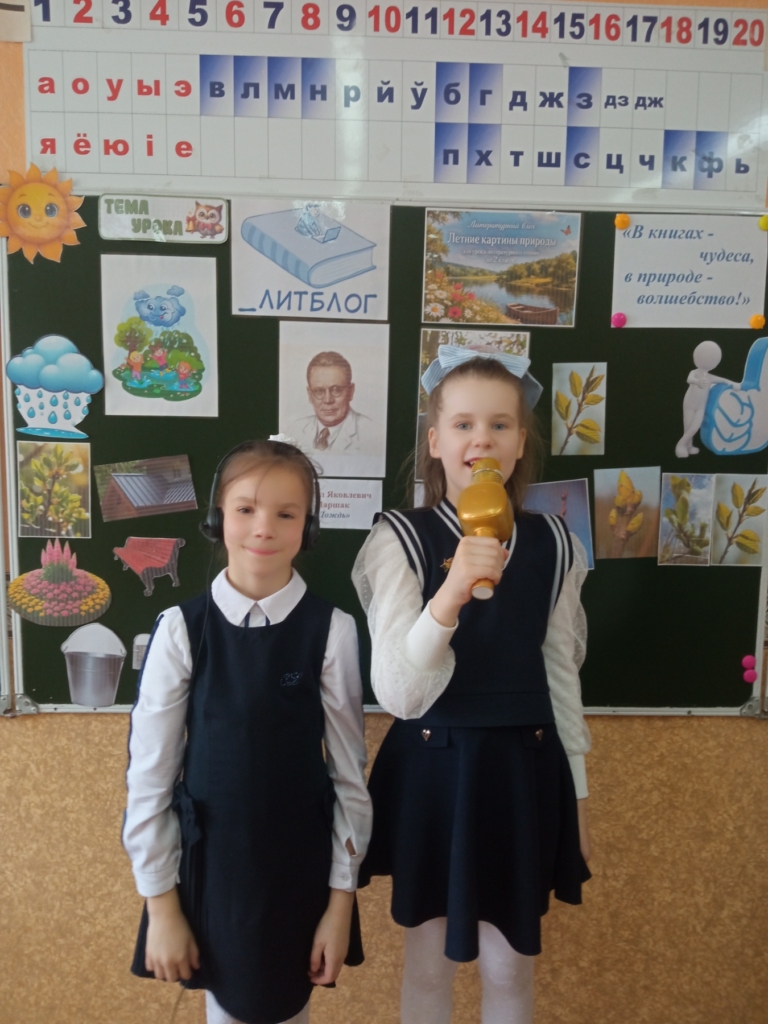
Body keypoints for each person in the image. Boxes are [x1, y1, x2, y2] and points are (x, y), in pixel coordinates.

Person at [352, 348, 592, 1024]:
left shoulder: (556, 542)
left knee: (508, 968)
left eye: (499, 425)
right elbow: (399, 694)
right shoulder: (400, 538)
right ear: (436, 442)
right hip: (433, 771)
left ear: (520, 445)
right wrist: (451, 593)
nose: (481, 439)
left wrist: (579, 798)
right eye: (462, 425)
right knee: (429, 966)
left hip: (522, 772)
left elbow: (560, 675)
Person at [123, 438, 372, 1024]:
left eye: (286, 513)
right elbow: (150, 778)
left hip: (299, 876)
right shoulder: (180, 629)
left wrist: (340, 905)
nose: (264, 527)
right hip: (213, 876)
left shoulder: (332, 630)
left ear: (308, 527)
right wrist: (162, 907)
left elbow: (349, 778)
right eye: (245, 509)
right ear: (218, 518)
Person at [290, 352, 372, 455]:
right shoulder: (294, 430)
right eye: (319, 391)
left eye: (336, 389)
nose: (328, 400)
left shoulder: (370, 432)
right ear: (310, 395)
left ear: (350, 391)